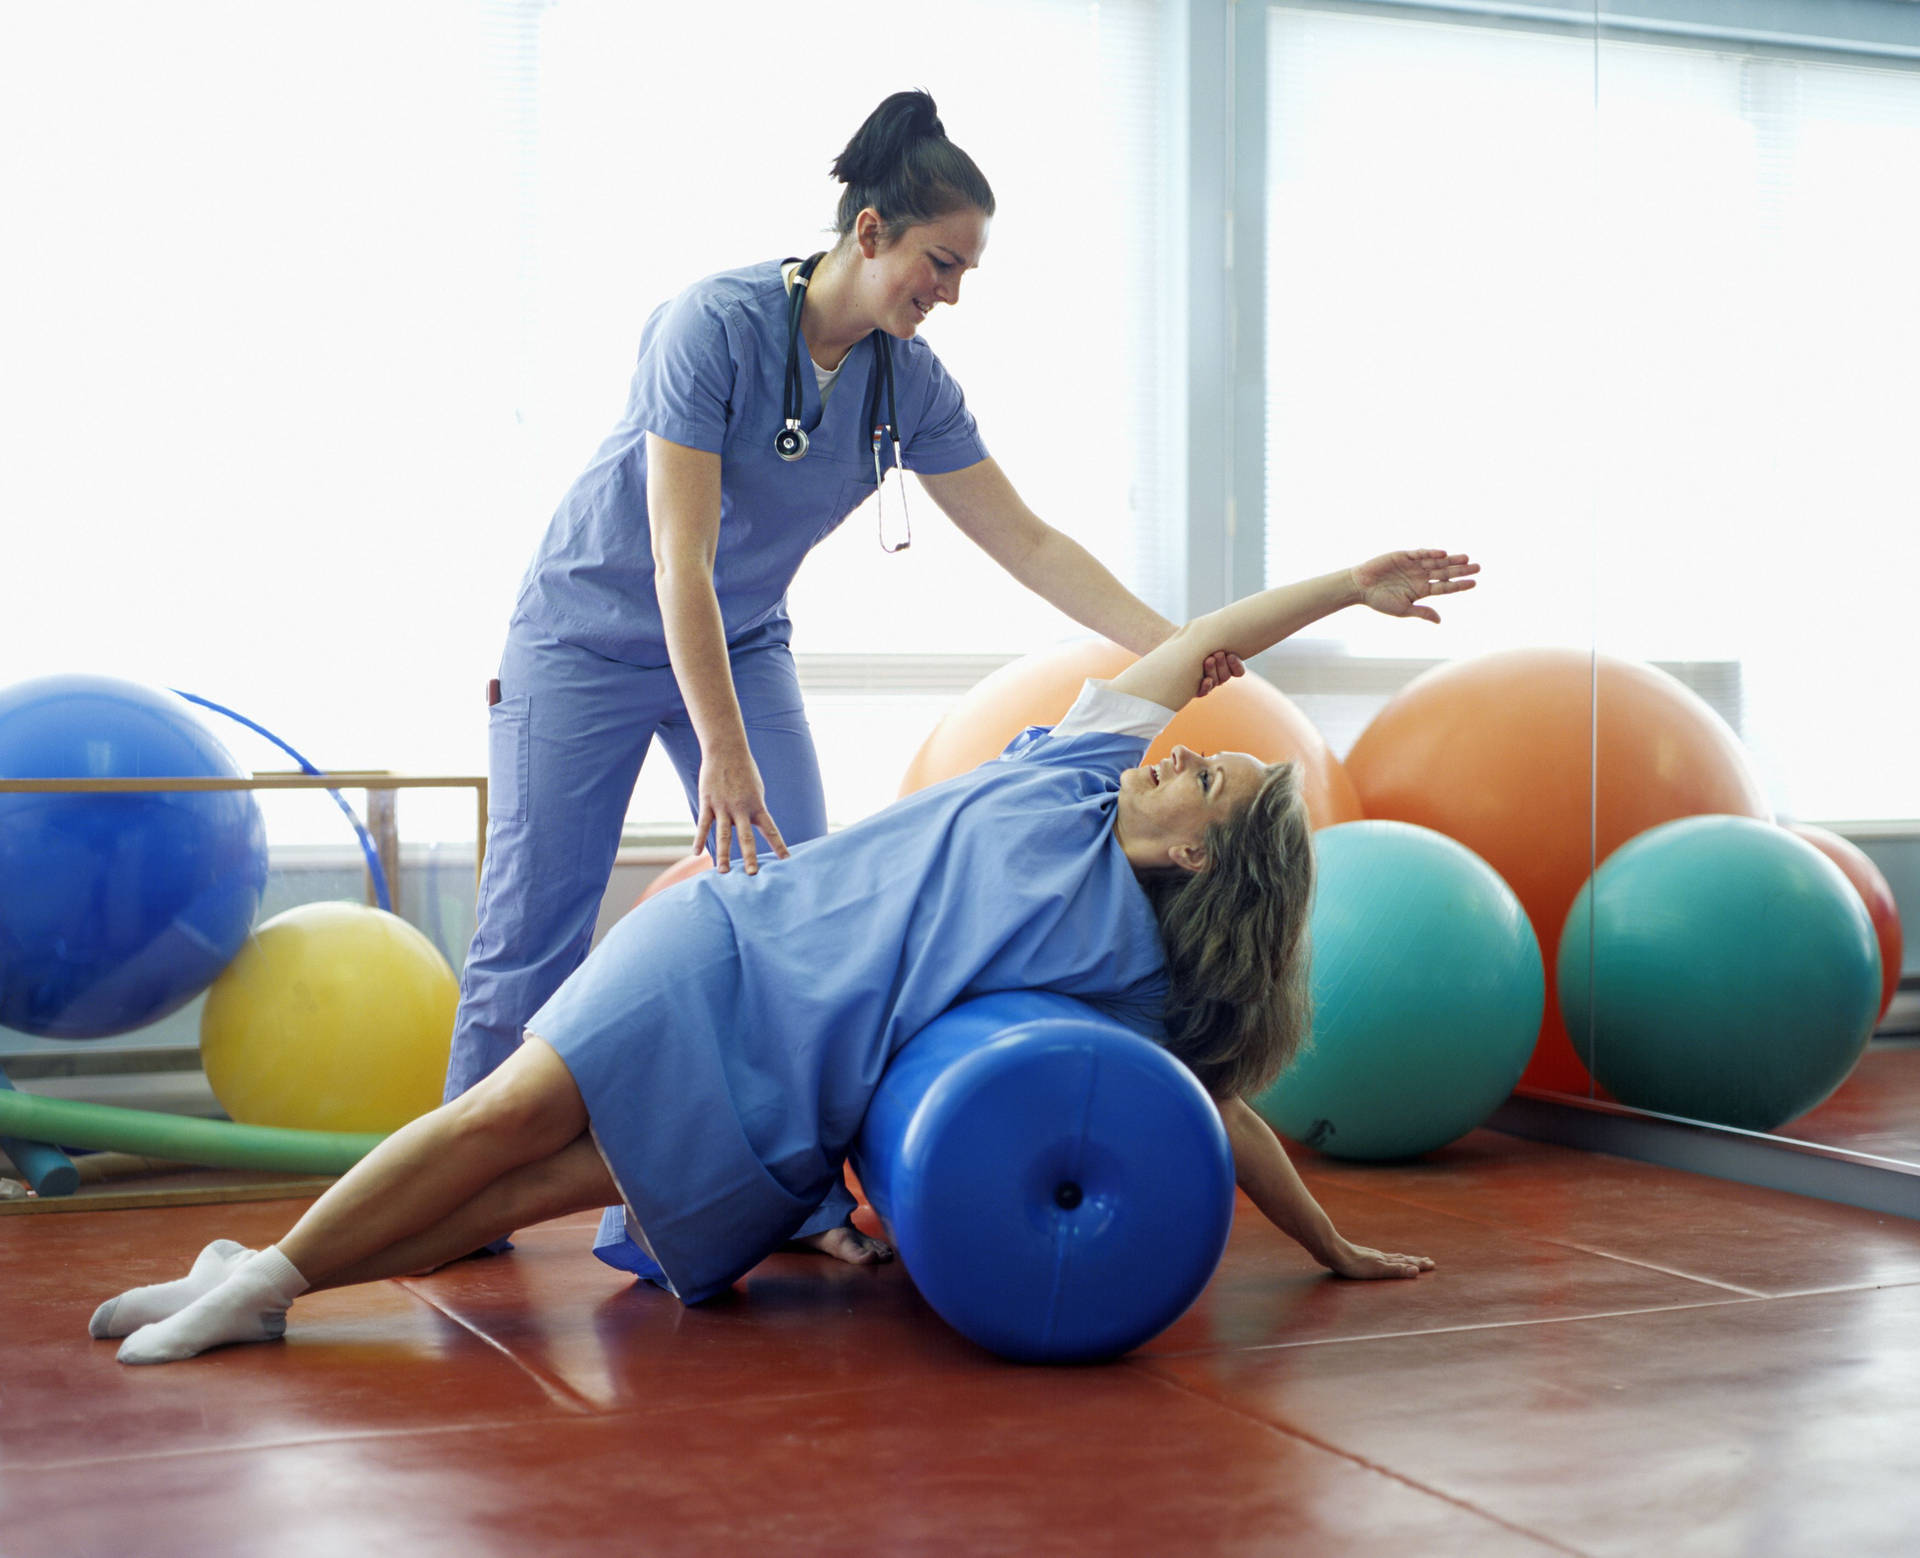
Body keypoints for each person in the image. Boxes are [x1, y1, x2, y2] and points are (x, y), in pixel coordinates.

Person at [92, 549, 1476, 1365]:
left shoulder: (1125, 979)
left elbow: (1214, 1114)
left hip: (784, 1107)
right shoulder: (1073, 768)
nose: (1180, 757)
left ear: (1192, 859)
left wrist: (1333, 1243)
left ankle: (262, 1273)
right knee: (501, 1116)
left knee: (546, 1183)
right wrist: (1351, 586)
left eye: (1207, 785)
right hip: (724, 954)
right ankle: (262, 1276)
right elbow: (1205, 644)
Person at [453, 88, 1241, 1261]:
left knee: (806, 913)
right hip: (590, 633)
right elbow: (681, 556)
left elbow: (1026, 542)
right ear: (868, 231)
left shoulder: (905, 384)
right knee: (535, 924)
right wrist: (721, 746)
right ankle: (462, 1177)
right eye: (940, 261)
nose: (951, 292)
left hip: (743, 634)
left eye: (967, 270)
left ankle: (784, 1198)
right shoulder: (710, 327)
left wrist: (1176, 645)